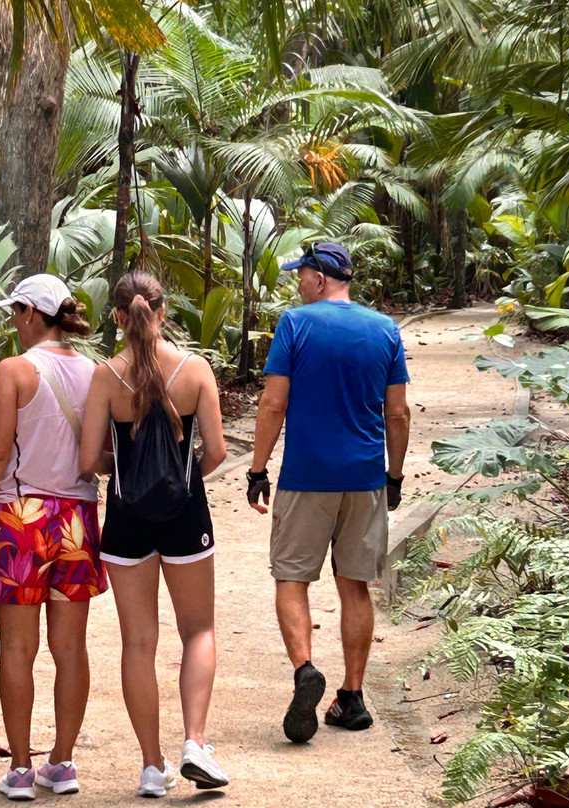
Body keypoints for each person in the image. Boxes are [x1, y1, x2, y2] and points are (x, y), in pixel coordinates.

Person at [245, 241, 411, 744]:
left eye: (301, 275)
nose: (298, 283)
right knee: (355, 585)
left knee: (291, 578)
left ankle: (305, 670)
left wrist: (257, 470)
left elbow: (273, 404)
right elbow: (398, 413)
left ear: (320, 279)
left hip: (307, 476)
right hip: (365, 478)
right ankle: (352, 698)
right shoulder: (385, 329)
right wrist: (394, 477)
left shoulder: (295, 324)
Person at [0, 274, 108, 801]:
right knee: (72, 648)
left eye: (15, 312)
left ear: (30, 313)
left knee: (18, 648)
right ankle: (61, 762)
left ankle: (20, 769)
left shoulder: (14, 370)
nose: (13, 323)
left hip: (23, 519)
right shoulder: (94, 371)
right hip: (77, 520)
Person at [79, 271, 228, 798]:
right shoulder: (195, 370)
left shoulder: (105, 377)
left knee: (138, 643)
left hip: (126, 521)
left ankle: (150, 766)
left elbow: (88, 459)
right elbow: (217, 452)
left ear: (118, 317)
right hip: (186, 515)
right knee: (198, 631)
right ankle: (195, 743)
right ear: (162, 311)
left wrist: (128, 471)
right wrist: (179, 479)